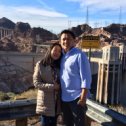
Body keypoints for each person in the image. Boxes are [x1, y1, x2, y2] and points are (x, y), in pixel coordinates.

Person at [60, 30, 92, 126]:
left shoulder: (79, 55)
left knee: (79, 124)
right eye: (63, 39)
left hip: (77, 98)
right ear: (60, 41)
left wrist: (82, 99)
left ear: (74, 40)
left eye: (68, 39)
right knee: (67, 124)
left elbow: (86, 78)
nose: (66, 41)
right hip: (64, 98)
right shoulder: (62, 56)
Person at [33, 43, 62, 126]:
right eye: (55, 50)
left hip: (57, 104)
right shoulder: (41, 64)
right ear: (50, 51)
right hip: (45, 103)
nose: (57, 53)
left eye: (59, 51)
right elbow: (36, 83)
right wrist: (53, 87)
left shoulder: (59, 66)